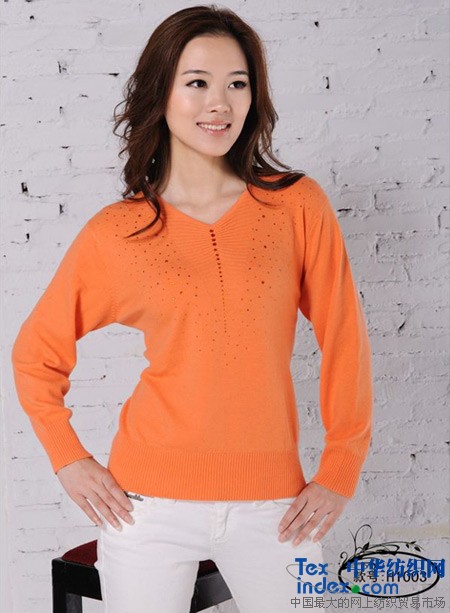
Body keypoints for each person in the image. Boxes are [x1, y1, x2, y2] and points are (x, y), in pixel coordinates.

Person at [11, 6, 373, 612]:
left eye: (238, 83)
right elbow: (35, 354)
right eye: (198, 82)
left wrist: (341, 467)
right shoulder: (118, 232)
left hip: (275, 505)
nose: (220, 103)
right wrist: (68, 457)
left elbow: (345, 340)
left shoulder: (297, 207)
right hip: (147, 506)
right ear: (162, 93)